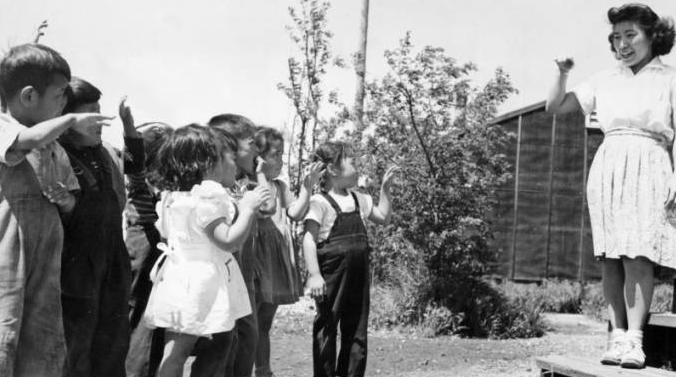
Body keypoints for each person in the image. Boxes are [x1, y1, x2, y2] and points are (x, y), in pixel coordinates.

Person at [545, 3, 676, 369]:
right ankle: (617, 336)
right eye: (617, 37)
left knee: (639, 251)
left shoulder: (669, 78)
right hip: (609, 163)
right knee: (610, 256)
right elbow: (555, 107)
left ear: (653, 36)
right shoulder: (604, 79)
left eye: (631, 35)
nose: (623, 44)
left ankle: (635, 340)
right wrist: (562, 71)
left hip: (650, 161)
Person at [0, 43, 111, 377]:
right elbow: (27, 139)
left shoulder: (52, 146)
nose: (65, 104)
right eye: (60, 95)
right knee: (6, 327)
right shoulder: (7, 127)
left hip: (47, 248)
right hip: (8, 246)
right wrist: (72, 119)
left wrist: (63, 198)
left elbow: (72, 199)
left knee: (43, 335)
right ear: (29, 96)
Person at [143, 124, 269, 377]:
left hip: (179, 276)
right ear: (209, 164)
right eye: (230, 158)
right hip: (202, 283)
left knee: (175, 352)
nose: (235, 164)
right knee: (199, 349)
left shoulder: (175, 197)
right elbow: (229, 241)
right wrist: (248, 208)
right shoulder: (208, 197)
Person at [59, 76, 144, 377]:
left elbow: (135, 166)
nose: (100, 122)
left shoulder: (105, 150)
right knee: (77, 345)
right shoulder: (54, 154)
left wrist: (128, 125)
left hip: (112, 257)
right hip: (74, 263)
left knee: (114, 341)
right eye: (91, 115)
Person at [303, 141, 397, 377]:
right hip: (332, 274)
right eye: (353, 163)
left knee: (357, 329)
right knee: (327, 325)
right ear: (333, 170)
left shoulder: (361, 199)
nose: (358, 167)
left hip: (358, 274)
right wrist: (314, 275)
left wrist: (385, 190)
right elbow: (308, 240)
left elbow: (384, 218)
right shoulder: (319, 202)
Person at [252, 126, 324, 377]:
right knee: (251, 320)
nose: (280, 161)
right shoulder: (250, 184)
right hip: (257, 256)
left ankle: (263, 370)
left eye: (283, 155)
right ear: (257, 156)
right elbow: (265, 208)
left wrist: (307, 186)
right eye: (275, 155)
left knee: (264, 321)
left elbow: (295, 212)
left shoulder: (279, 184)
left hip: (277, 256)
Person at [207, 113, 261, 377]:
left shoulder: (244, 184)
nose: (258, 150)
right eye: (252, 143)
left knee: (247, 341)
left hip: (244, 278)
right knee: (225, 347)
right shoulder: (213, 190)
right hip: (224, 281)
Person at [125, 121, 173, 377]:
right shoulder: (141, 178)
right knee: (141, 316)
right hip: (144, 244)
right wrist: (132, 134)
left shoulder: (166, 181)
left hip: (156, 246)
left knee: (152, 319)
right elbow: (134, 164)